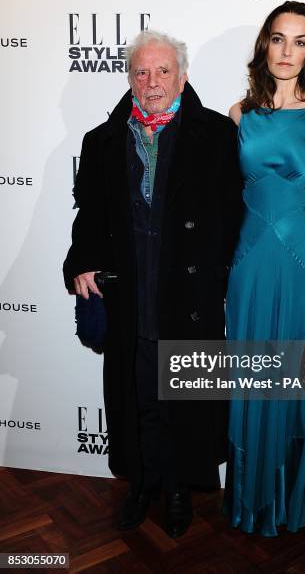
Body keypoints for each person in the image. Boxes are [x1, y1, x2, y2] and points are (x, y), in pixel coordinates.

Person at [63, 30, 243, 538]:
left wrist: (218, 276)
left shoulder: (216, 135)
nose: (152, 81)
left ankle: (181, 488)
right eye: (142, 72)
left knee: (181, 398)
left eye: (164, 71)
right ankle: (142, 484)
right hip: (131, 296)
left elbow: (232, 214)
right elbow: (89, 218)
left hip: (188, 296)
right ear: (129, 79)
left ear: (182, 76)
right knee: (140, 396)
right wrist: (82, 259)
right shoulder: (100, 142)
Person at [223, 1, 305, 546]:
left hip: (303, 262)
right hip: (249, 262)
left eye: (299, 41)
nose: (287, 51)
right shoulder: (238, 113)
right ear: (264, 45)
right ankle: (257, 500)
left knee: (303, 384)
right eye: (279, 39)